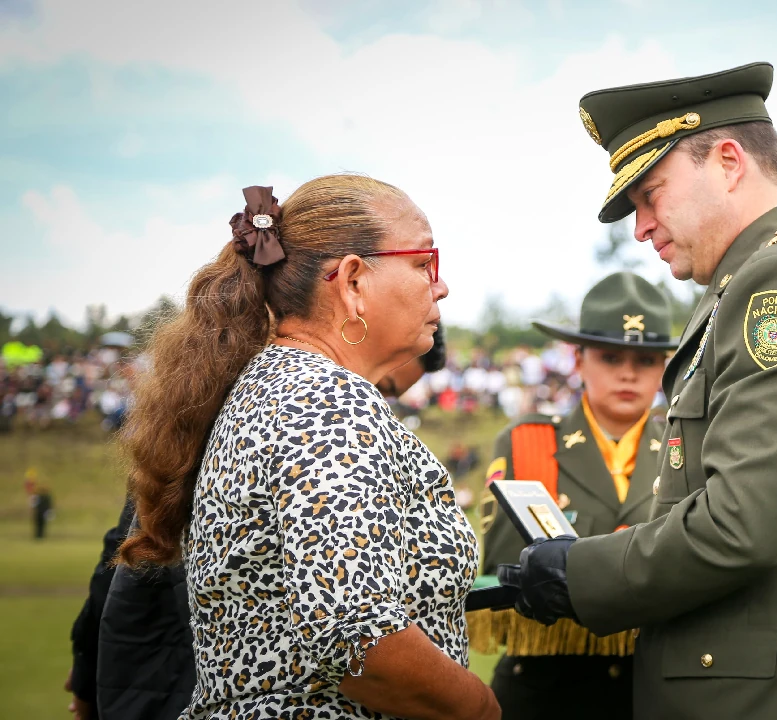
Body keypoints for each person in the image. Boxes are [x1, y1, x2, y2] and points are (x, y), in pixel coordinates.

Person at [500, 62, 777, 719]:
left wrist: (579, 571)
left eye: (652, 193)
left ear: (729, 162)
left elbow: (739, 525)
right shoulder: (775, 274)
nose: (641, 226)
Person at [114, 177, 498, 720]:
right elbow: (359, 637)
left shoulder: (281, 385)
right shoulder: (326, 401)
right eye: (422, 262)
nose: (441, 287)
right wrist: (481, 708)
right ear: (352, 280)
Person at [67, 328, 451, 720]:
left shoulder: (244, 406)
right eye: (382, 382)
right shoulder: (302, 424)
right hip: (177, 668)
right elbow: (128, 548)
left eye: (389, 394)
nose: (376, 396)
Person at [476, 272, 675, 720]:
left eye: (645, 360)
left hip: (652, 690)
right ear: (579, 361)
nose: (628, 372)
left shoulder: (687, 451)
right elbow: (505, 572)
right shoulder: (528, 443)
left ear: (663, 367)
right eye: (609, 356)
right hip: (547, 690)